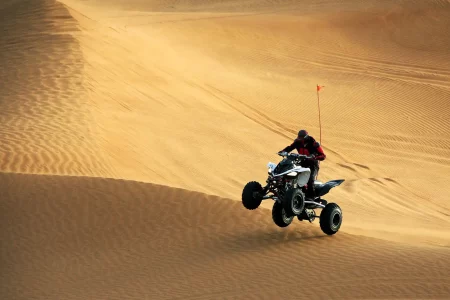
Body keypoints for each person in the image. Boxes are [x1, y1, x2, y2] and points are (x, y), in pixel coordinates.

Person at [278, 129, 326, 200]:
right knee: (291, 174)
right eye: (299, 138)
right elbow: (290, 147)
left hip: (312, 165)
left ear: (306, 137)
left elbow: (323, 156)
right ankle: (287, 191)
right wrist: (283, 151)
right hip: (302, 164)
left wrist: (313, 157)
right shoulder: (297, 142)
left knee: (310, 180)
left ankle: (312, 197)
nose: (300, 140)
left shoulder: (313, 143)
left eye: (302, 138)